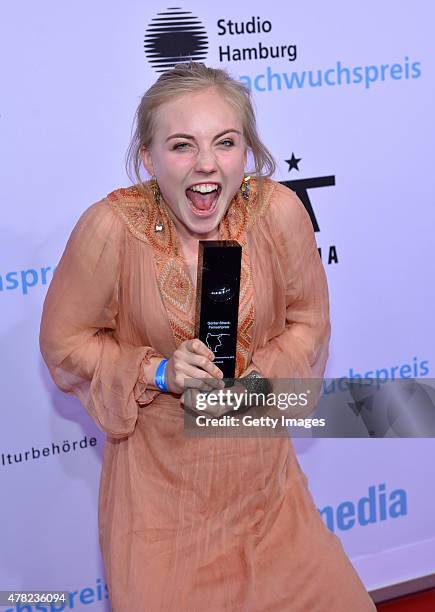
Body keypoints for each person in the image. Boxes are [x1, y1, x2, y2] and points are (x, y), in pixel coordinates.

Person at [39, 62, 375, 611]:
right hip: (161, 515)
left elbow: (310, 322)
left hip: (269, 501)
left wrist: (259, 381)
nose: (206, 165)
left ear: (248, 149)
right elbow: (64, 344)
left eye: (225, 142)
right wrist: (159, 371)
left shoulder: (279, 214)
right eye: (181, 145)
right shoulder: (110, 229)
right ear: (147, 157)